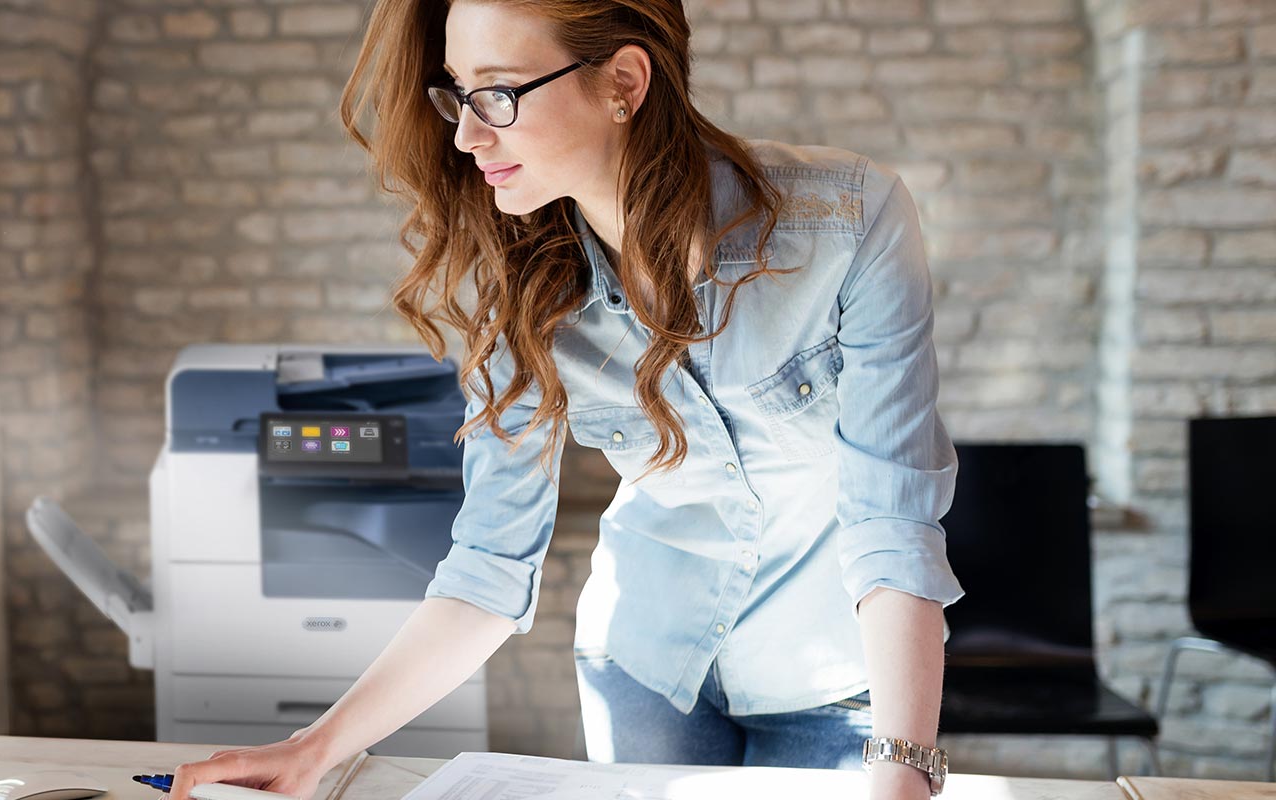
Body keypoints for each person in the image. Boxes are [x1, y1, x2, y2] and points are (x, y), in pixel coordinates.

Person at [168, 1, 962, 798]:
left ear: (622, 81)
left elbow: (890, 528)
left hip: (836, 679)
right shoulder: (521, 284)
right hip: (644, 664)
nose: (467, 135)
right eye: (458, 94)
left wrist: (906, 772)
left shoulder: (847, 225)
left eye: (498, 94)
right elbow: (488, 566)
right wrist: (316, 749)